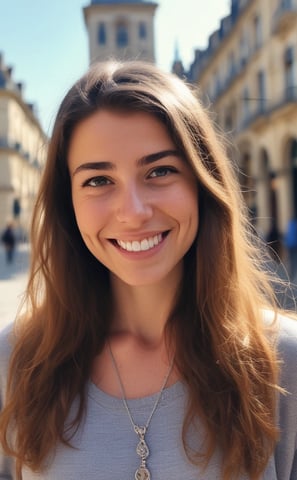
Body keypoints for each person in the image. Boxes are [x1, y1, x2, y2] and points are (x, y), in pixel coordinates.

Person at [0, 60, 296, 480]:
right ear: (68, 204)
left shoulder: (284, 362)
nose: (134, 213)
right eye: (98, 180)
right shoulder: (13, 363)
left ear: (202, 183)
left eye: (160, 171)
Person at [284, 217, 297, 281]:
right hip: (294, 245)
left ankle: (290, 274)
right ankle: (292, 274)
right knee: (294, 261)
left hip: (289, 245)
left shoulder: (290, 223)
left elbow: (287, 234)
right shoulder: (294, 224)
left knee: (291, 260)